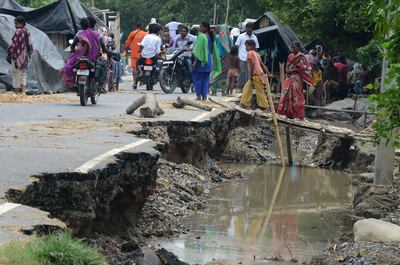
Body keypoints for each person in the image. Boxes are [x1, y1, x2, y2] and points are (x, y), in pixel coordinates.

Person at [62, 18, 108, 88]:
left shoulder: (79, 34)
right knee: (103, 65)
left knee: (69, 64)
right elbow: (104, 47)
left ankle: (73, 83)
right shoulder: (98, 34)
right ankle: (101, 85)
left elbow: (73, 46)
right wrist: (107, 52)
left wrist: (73, 50)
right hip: (94, 57)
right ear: (93, 25)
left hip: (80, 56)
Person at [277, 41, 313, 120]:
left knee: (296, 95)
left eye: (294, 47)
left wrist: (294, 69)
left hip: (296, 78)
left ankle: (296, 114)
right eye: (291, 47)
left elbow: (306, 68)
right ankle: (286, 113)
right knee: (285, 94)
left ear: (298, 47)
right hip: (289, 77)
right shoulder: (290, 56)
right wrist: (290, 70)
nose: (292, 49)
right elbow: (287, 67)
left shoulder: (301, 57)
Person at [192, 21, 221, 101]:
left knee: (197, 79)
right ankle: (204, 97)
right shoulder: (212, 37)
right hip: (209, 61)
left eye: (201, 27)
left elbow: (199, 52)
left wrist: (195, 62)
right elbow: (213, 50)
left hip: (201, 61)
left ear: (206, 28)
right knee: (205, 80)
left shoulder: (201, 36)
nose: (200, 28)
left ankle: (198, 96)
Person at [239, 40, 270, 109]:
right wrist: (268, 73)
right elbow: (263, 65)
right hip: (260, 74)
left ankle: (265, 106)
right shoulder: (257, 54)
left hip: (255, 75)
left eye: (247, 46)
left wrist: (250, 76)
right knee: (248, 88)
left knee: (259, 91)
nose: (246, 47)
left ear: (252, 46)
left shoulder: (250, 53)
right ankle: (244, 103)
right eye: (246, 46)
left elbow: (252, 66)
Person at [7, 16, 33, 94]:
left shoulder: (18, 31)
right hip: (26, 56)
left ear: (21, 23)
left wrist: (9, 49)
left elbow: (15, 44)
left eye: (16, 23)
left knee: (16, 73)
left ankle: (16, 91)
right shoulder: (27, 31)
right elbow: (30, 43)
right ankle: (23, 91)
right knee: (23, 73)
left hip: (17, 56)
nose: (15, 25)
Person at [136, 23, 162, 88]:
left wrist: (140, 51)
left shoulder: (146, 36)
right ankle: (157, 75)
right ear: (158, 31)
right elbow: (158, 51)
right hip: (153, 57)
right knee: (160, 63)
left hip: (144, 56)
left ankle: (141, 72)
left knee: (137, 62)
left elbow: (141, 45)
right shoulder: (158, 39)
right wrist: (161, 56)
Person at [235, 23, 260, 90]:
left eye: (251, 28)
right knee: (241, 72)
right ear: (246, 28)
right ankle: (239, 87)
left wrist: (256, 58)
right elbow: (237, 46)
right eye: (248, 28)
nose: (249, 29)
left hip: (251, 58)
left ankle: (247, 87)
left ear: (252, 29)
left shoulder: (255, 37)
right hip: (242, 57)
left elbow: (256, 48)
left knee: (249, 72)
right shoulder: (241, 36)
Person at [125, 23, 147, 89]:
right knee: (143, 66)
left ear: (136, 27)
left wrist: (127, 51)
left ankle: (135, 83)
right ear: (141, 27)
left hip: (134, 53)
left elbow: (127, 44)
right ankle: (142, 79)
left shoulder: (132, 33)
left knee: (134, 68)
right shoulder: (144, 34)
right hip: (142, 53)